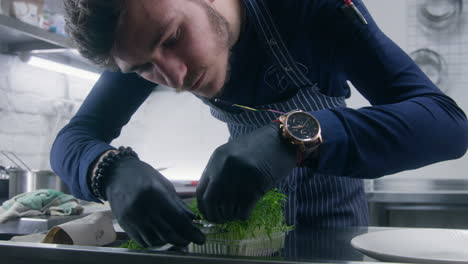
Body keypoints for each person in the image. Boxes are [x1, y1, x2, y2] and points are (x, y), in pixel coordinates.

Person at [51, 0, 468, 248]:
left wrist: (294, 138)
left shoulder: (311, 8)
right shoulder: (139, 36)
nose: (174, 78)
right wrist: (109, 169)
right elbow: (74, 137)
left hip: (334, 236)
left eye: (174, 37)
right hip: (244, 240)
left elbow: (447, 124)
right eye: (144, 68)